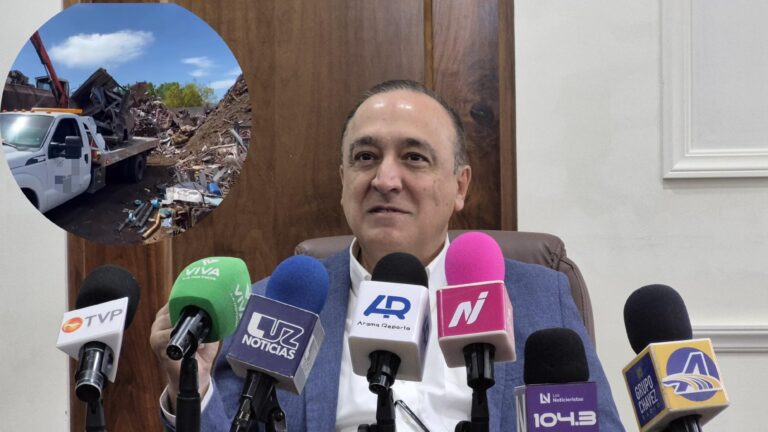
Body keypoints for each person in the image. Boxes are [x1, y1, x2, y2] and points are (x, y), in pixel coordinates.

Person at [150, 80, 625, 431]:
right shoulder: (276, 303)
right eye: (365, 158)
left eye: (414, 157)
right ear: (344, 181)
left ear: (459, 186)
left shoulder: (540, 296)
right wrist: (192, 386)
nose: (385, 180)